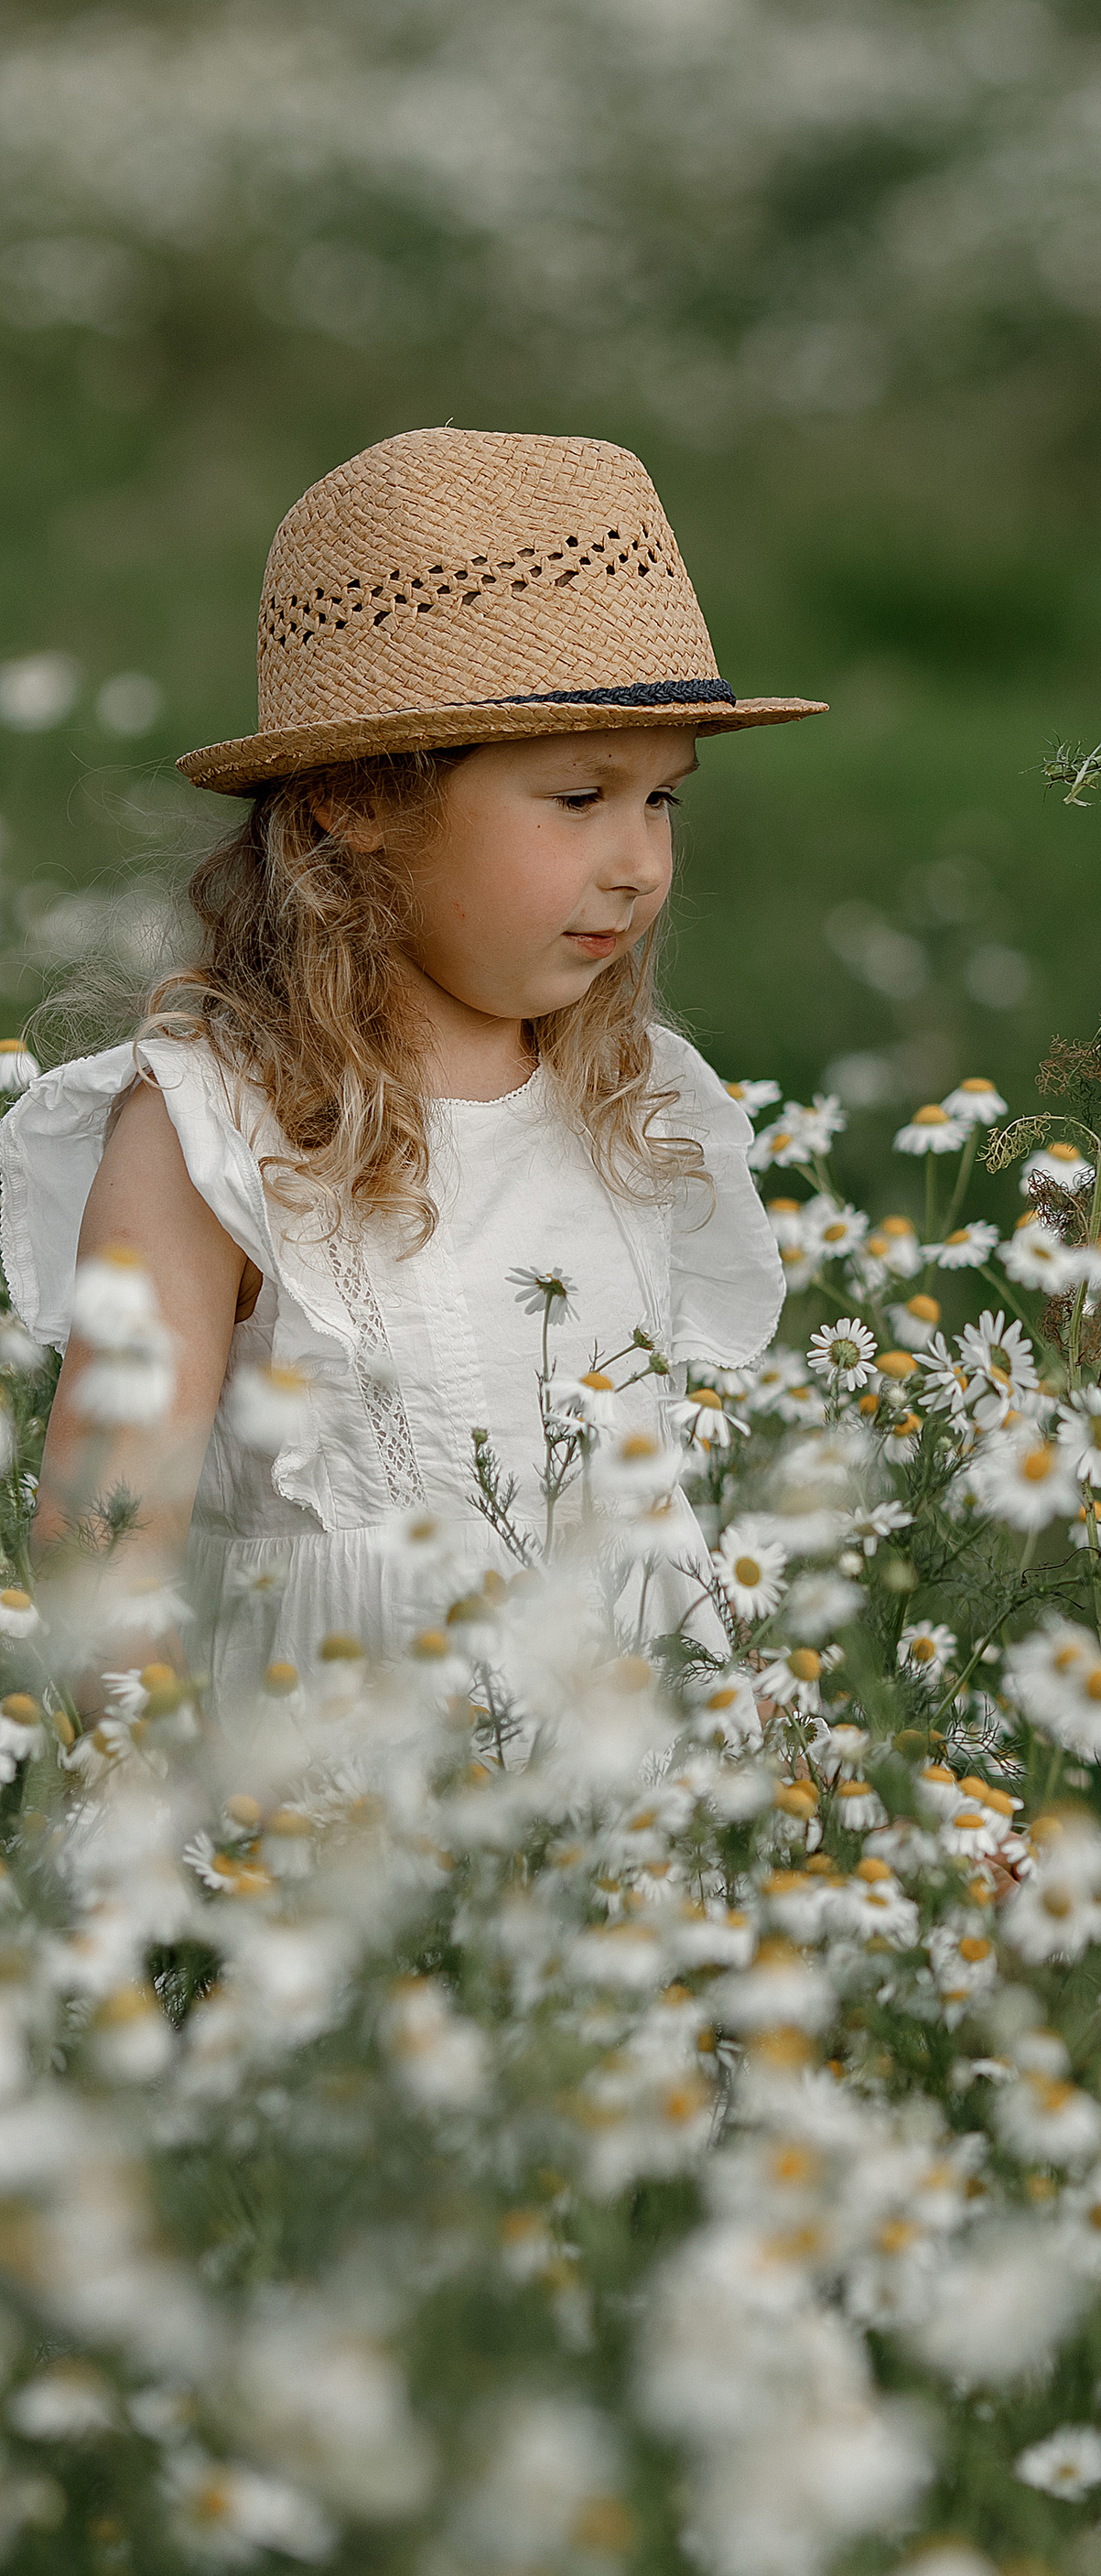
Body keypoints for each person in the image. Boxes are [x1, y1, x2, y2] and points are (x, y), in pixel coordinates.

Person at [0, 426, 822, 1695]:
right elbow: (105, 1550)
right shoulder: (214, 1129)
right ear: (357, 804)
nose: (638, 862)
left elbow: (659, 1529)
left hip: (631, 1786)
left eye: (662, 798)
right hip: (327, 1802)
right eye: (578, 798)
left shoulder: (631, 1102)